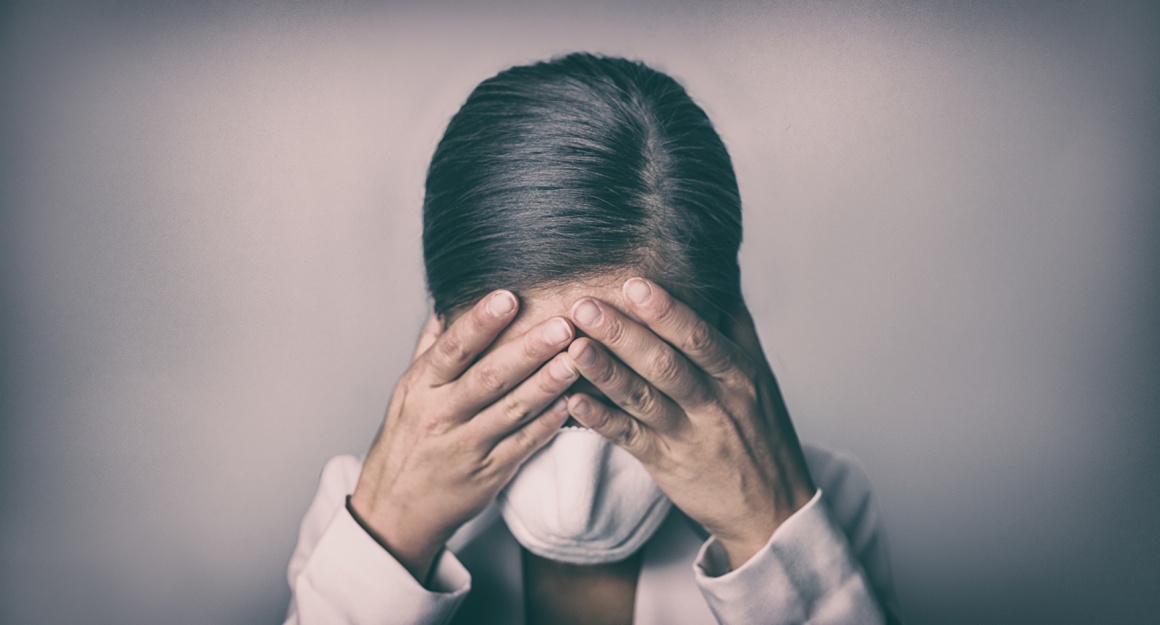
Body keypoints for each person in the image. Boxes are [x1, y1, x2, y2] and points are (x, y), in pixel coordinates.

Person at [282, 52, 901, 625]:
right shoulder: (360, 513)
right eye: (529, 376)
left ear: (718, 330)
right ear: (442, 330)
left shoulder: (814, 509)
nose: (581, 469)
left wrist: (777, 544)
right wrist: (388, 541)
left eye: (632, 377)